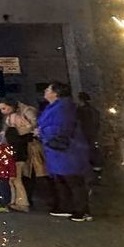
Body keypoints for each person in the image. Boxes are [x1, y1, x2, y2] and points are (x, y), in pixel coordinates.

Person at [36, 81, 93, 221]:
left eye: (48, 89)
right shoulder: (56, 107)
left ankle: (82, 210)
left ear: (56, 93)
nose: (45, 91)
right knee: (61, 179)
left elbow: (61, 127)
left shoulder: (63, 108)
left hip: (68, 150)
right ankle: (65, 206)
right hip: (57, 150)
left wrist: (41, 131)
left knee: (73, 180)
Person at [0, 97, 32, 211]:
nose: (2, 111)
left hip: (17, 153)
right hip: (15, 152)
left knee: (16, 179)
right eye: (1, 109)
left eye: (4, 108)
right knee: (14, 179)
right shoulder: (11, 118)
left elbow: (22, 134)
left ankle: (22, 203)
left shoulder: (16, 118)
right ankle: (15, 202)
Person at [76, 91, 101, 170]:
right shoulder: (93, 110)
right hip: (92, 133)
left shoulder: (81, 111)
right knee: (93, 150)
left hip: (85, 134)